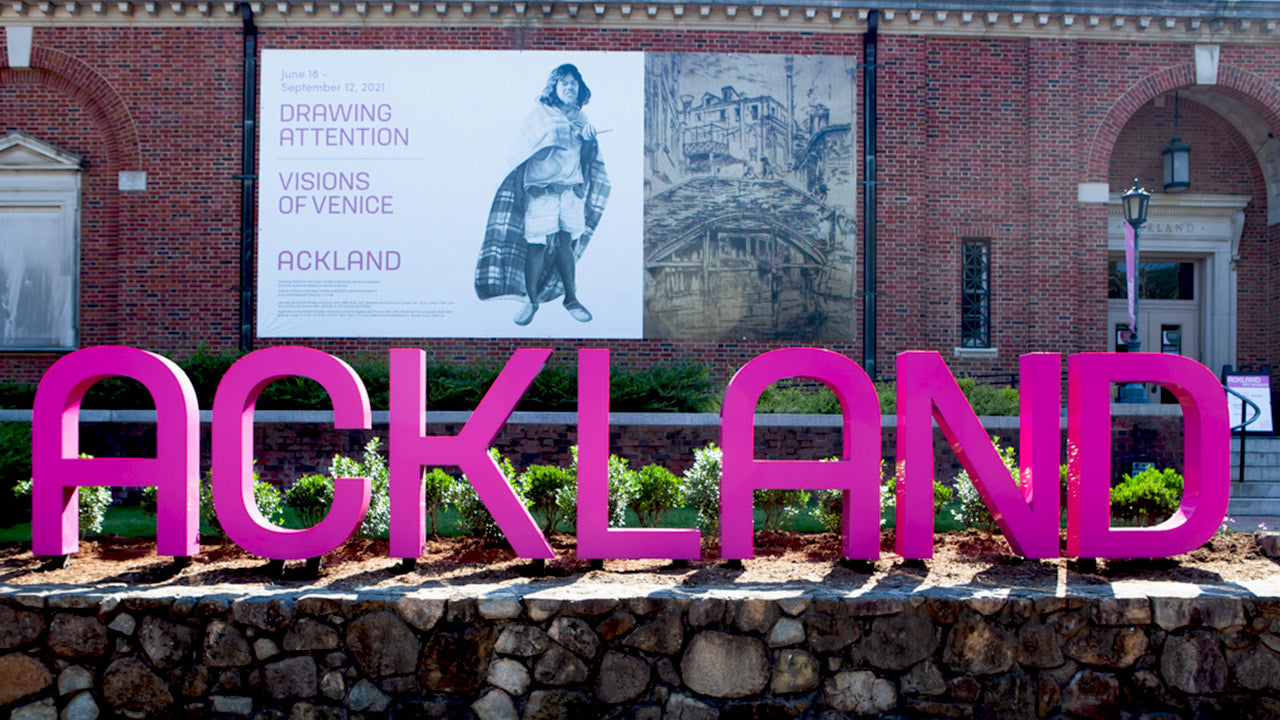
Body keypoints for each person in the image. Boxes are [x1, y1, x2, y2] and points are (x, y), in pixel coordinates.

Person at [474, 63, 610, 326]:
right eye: (563, 83)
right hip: (541, 191)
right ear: (554, 87)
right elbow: (521, 154)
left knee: (566, 244)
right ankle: (531, 300)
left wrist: (589, 140)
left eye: (573, 83)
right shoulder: (540, 114)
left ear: (579, 88)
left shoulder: (582, 119)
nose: (569, 87)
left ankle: (571, 298)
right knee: (536, 245)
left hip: (570, 191)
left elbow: (584, 155)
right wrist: (519, 191)